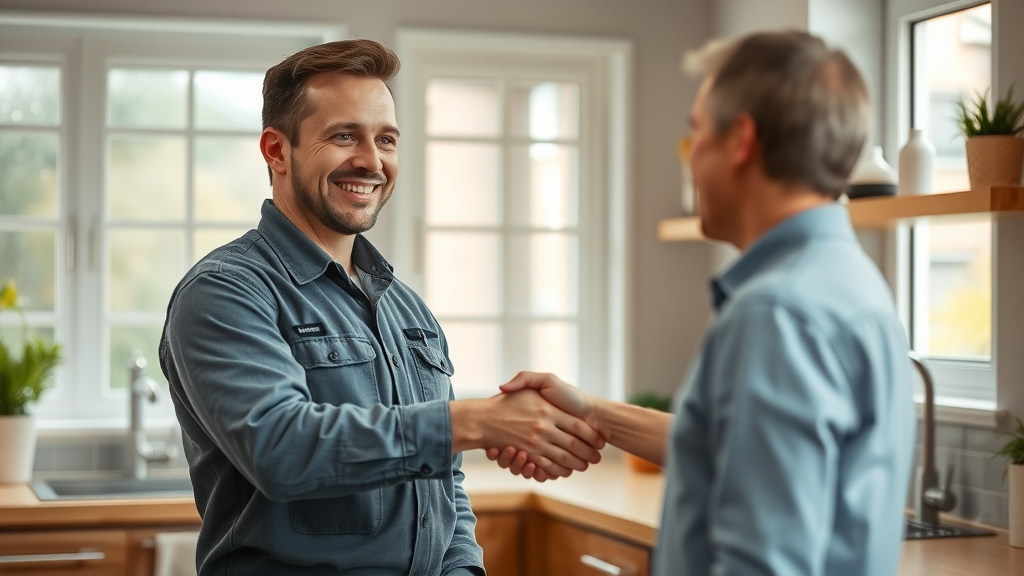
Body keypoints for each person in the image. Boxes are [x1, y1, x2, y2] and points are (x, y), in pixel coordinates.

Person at [159, 39, 604, 576]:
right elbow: (283, 450)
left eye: (386, 139)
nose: (372, 162)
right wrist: (479, 420)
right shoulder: (226, 291)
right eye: (344, 135)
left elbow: (446, 488)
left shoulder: (406, 308)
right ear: (277, 151)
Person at [489, 31, 916, 576]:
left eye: (696, 136)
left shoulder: (776, 314)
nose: (692, 163)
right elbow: (738, 452)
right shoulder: (850, 281)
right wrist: (593, 413)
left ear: (740, 140)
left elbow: (761, 563)